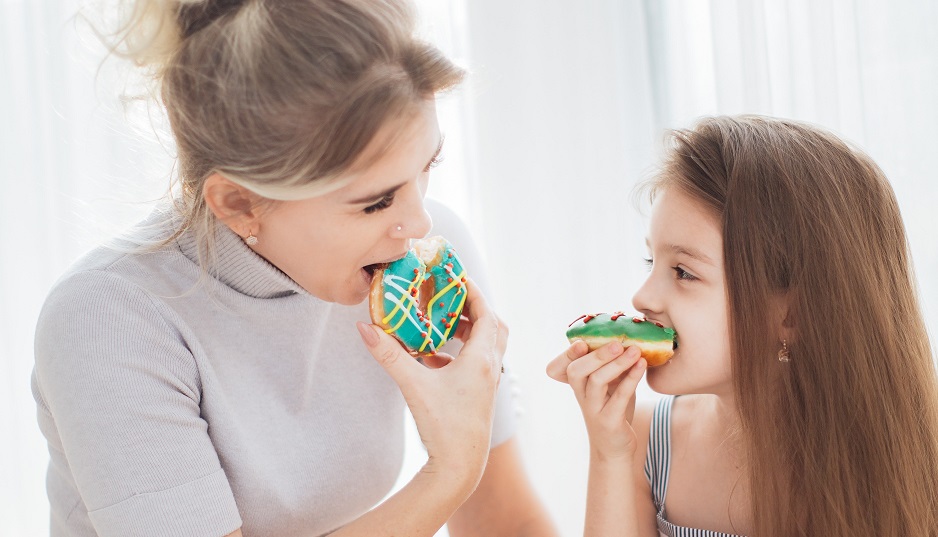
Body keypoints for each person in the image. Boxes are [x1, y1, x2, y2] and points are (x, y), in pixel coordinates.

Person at [31, 1, 557, 535]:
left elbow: (506, 519)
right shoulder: (108, 320)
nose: (419, 224)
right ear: (239, 203)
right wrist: (450, 472)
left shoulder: (423, 268)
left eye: (429, 166)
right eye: (377, 202)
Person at [547, 115, 938, 536]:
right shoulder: (644, 441)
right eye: (651, 261)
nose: (642, 298)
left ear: (791, 315)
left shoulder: (906, 459)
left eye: (683, 272)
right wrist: (610, 454)